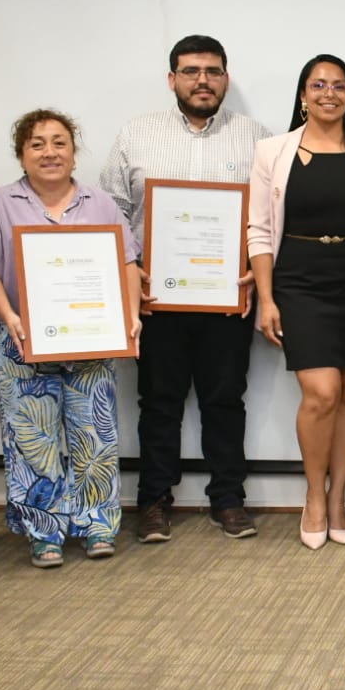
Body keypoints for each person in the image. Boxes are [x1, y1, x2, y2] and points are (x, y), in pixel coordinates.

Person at [100, 34, 271, 543]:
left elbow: (267, 217)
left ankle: (228, 500)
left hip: (229, 297)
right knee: (159, 402)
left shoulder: (255, 138)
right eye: (192, 71)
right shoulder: (137, 135)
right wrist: (132, 271)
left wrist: (251, 269)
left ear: (226, 78)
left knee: (225, 399)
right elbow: (114, 214)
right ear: (172, 78)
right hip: (157, 300)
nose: (203, 80)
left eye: (213, 71)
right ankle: (153, 501)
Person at [0, 109, 143, 568]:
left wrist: (130, 316)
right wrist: (6, 314)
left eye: (59, 142)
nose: (50, 152)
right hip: (22, 338)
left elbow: (126, 263)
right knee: (33, 439)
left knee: (94, 434)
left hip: (91, 340)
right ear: (22, 154)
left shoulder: (100, 202)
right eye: (37, 143)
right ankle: (45, 532)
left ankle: (98, 527)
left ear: (74, 151)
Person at [249, 55, 345, 549]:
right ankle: (312, 494)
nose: (330, 93)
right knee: (322, 393)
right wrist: (266, 298)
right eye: (318, 85)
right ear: (302, 94)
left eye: (340, 85)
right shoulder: (273, 151)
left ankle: (338, 498)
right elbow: (260, 231)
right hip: (299, 283)